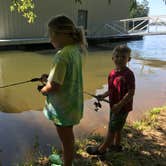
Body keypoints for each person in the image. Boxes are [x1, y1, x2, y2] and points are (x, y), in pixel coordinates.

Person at [38, 15, 87, 166]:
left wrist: (44, 89)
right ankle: (67, 159)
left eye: (51, 34)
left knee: (66, 139)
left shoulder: (61, 55)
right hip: (72, 103)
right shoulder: (75, 51)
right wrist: (50, 77)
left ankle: (67, 164)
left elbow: (55, 86)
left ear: (63, 34)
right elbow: (66, 76)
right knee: (68, 136)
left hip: (63, 107)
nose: (49, 39)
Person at [86, 45, 135, 155]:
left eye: (123, 57)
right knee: (117, 128)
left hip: (122, 107)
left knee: (112, 129)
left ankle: (101, 150)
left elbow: (131, 92)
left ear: (129, 59)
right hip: (113, 106)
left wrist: (120, 105)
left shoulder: (129, 74)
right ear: (112, 58)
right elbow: (111, 90)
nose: (119, 59)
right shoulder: (112, 73)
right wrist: (102, 95)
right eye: (117, 56)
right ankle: (116, 146)